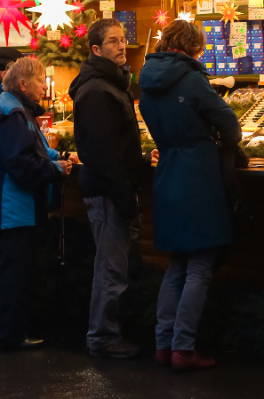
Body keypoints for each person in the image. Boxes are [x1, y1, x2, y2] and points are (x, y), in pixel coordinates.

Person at [138, 20, 241, 372]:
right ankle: (184, 348)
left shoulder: (147, 80)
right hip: (198, 174)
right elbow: (230, 124)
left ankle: (163, 344)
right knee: (199, 266)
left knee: (176, 266)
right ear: (195, 46)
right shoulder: (192, 79)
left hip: (167, 171)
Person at [0, 56, 71, 351]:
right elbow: (22, 164)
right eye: (41, 80)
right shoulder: (12, 113)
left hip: (6, 207)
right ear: (23, 84)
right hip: (12, 209)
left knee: (8, 273)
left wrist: (57, 159)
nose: (45, 86)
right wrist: (57, 169)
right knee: (14, 275)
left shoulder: (9, 107)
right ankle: (10, 337)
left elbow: (34, 148)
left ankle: (7, 331)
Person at [70, 18, 149, 360]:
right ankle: (102, 337)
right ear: (96, 49)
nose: (122, 46)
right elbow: (104, 156)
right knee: (110, 268)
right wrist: (126, 200)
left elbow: (116, 147)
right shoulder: (98, 91)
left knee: (114, 266)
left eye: (123, 40)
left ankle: (107, 333)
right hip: (108, 192)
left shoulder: (109, 85)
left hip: (112, 189)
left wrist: (141, 160)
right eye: (114, 41)